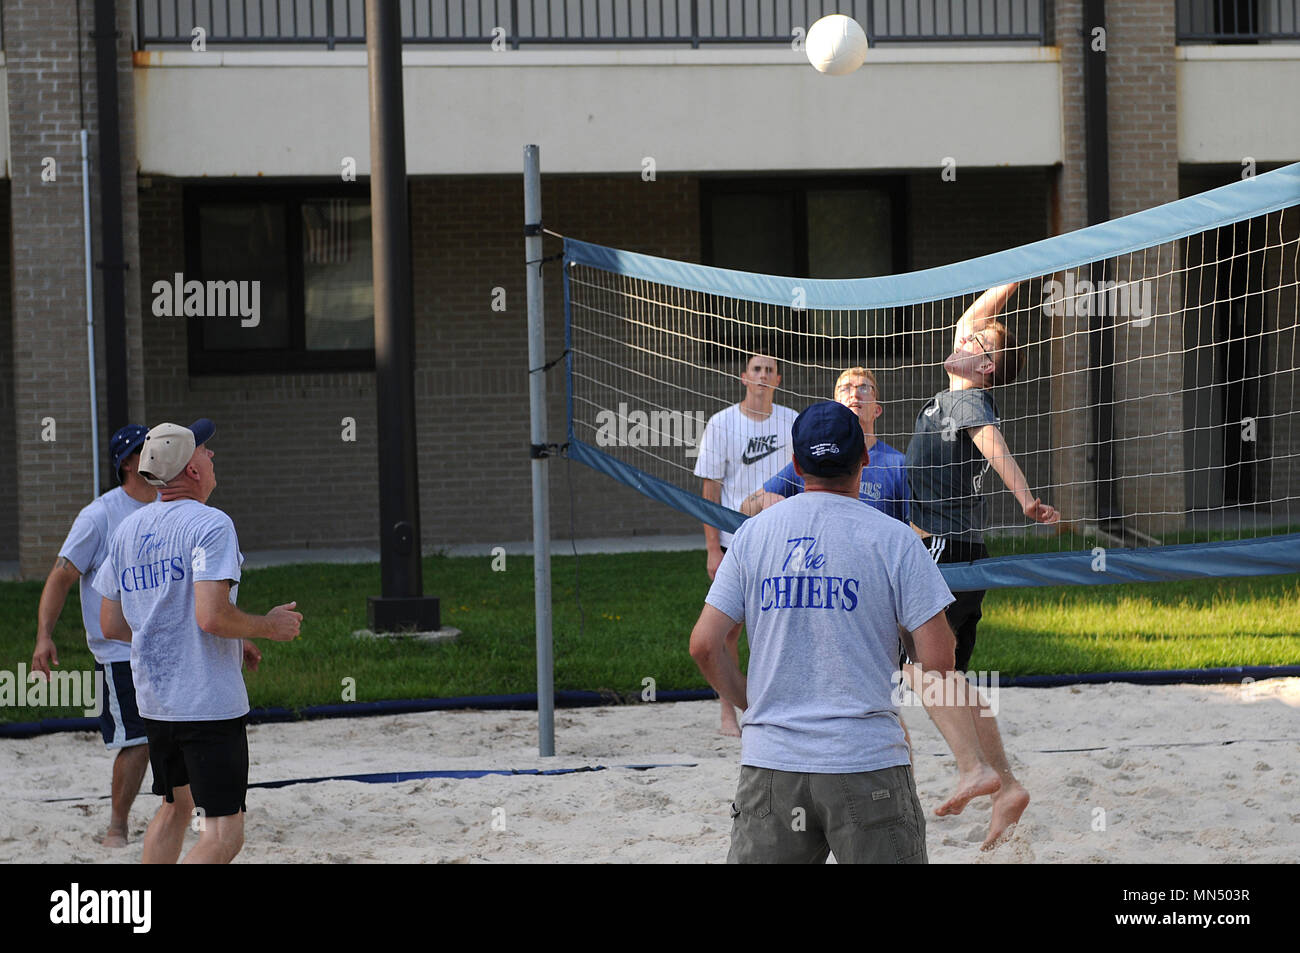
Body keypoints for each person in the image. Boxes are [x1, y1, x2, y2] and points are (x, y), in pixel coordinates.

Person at [690, 401, 963, 863]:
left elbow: (704, 645)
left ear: (796, 465)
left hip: (772, 761)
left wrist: (750, 703)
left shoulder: (755, 535)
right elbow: (938, 662)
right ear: (865, 459)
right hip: (865, 762)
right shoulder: (896, 539)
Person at [94, 419, 301, 864]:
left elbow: (111, 623)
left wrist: (211, 634)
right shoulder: (210, 525)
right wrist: (268, 625)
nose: (212, 457)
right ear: (191, 470)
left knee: (174, 809)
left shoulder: (128, 529)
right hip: (207, 702)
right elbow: (211, 615)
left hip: (156, 700)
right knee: (224, 834)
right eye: (205, 451)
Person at [905, 281, 1060, 848]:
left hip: (946, 546)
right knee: (947, 675)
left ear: (987, 367)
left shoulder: (967, 400)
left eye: (982, 343)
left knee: (919, 668)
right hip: (958, 548)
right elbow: (974, 314)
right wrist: (1015, 274)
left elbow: (993, 444)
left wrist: (1025, 499)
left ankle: (974, 769)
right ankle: (1007, 786)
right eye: (969, 335)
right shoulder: (954, 389)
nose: (969, 335)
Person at [31, 425, 155, 847]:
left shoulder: (170, 506)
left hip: (167, 646)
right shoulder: (100, 515)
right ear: (128, 463)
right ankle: (117, 827)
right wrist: (43, 637)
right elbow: (62, 576)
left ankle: (177, 814)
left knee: (176, 733)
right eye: (146, 449)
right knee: (136, 740)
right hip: (119, 650)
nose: (155, 453)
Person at [693, 353, 798, 736]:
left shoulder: (792, 421)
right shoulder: (722, 424)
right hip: (734, 540)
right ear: (743, 377)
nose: (763, 375)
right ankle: (728, 713)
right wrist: (711, 548)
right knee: (727, 632)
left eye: (770, 370)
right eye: (757, 369)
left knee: (779, 627)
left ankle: (774, 707)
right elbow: (710, 490)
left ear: (778, 379)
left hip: (784, 539)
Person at [740, 366, 907, 521]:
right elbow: (745, 508)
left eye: (864, 388)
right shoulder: (814, 457)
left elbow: (918, 531)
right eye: (846, 388)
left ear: (877, 410)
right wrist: (763, 499)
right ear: (833, 406)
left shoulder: (899, 465)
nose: (855, 395)